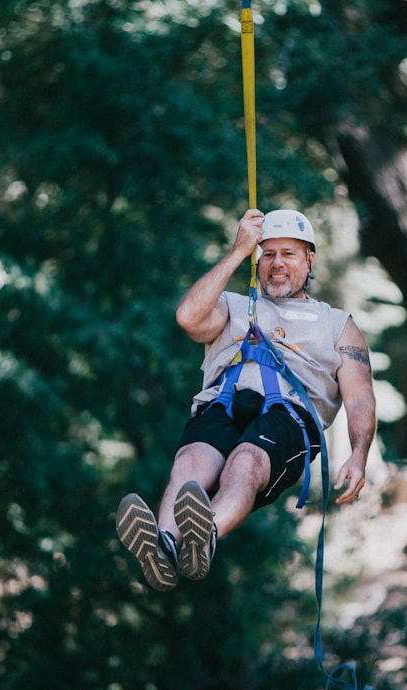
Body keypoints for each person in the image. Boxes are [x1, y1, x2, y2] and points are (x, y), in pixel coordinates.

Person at [116, 208, 377, 591]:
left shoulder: (338, 325)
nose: (277, 264)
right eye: (267, 254)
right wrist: (238, 250)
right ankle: (166, 546)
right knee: (190, 462)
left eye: (288, 253)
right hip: (223, 401)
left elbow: (360, 398)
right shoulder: (234, 306)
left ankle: (204, 537)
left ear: (310, 259)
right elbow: (188, 317)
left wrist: (358, 453)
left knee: (246, 461)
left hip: (289, 418)